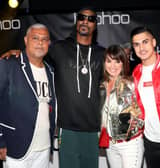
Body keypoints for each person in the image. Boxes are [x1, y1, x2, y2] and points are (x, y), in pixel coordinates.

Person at [0, 7, 105, 168]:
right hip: (67, 129)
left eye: (90, 19)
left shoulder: (102, 53)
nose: (85, 21)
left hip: (92, 129)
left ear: (96, 25)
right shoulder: (59, 48)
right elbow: (35, 51)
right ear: (76, 21)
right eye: (82, 17)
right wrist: (18, 53)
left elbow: (116, 72)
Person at [0, 23, 57, 168]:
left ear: (49, 43)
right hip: (16, 147)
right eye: (35, 38)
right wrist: (0, 140)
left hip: (44, 148)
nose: (40, 43)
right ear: (26, 40)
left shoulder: (50, 71)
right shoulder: (9, 65)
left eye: (44, 39)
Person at [99, 45, 144, 168]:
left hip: (130, 144)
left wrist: (132, 127)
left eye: (117, 61)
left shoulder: (130, 83)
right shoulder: (102, 86)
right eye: (109, 61)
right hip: (111, 145)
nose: (112, 66)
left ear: (123, 63)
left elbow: (142, 114)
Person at [131, 26, 160, 168]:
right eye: (136, 44)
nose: (141, 48)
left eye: (145, 42)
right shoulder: (136, 72)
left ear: (154, 42)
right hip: (149, 142)